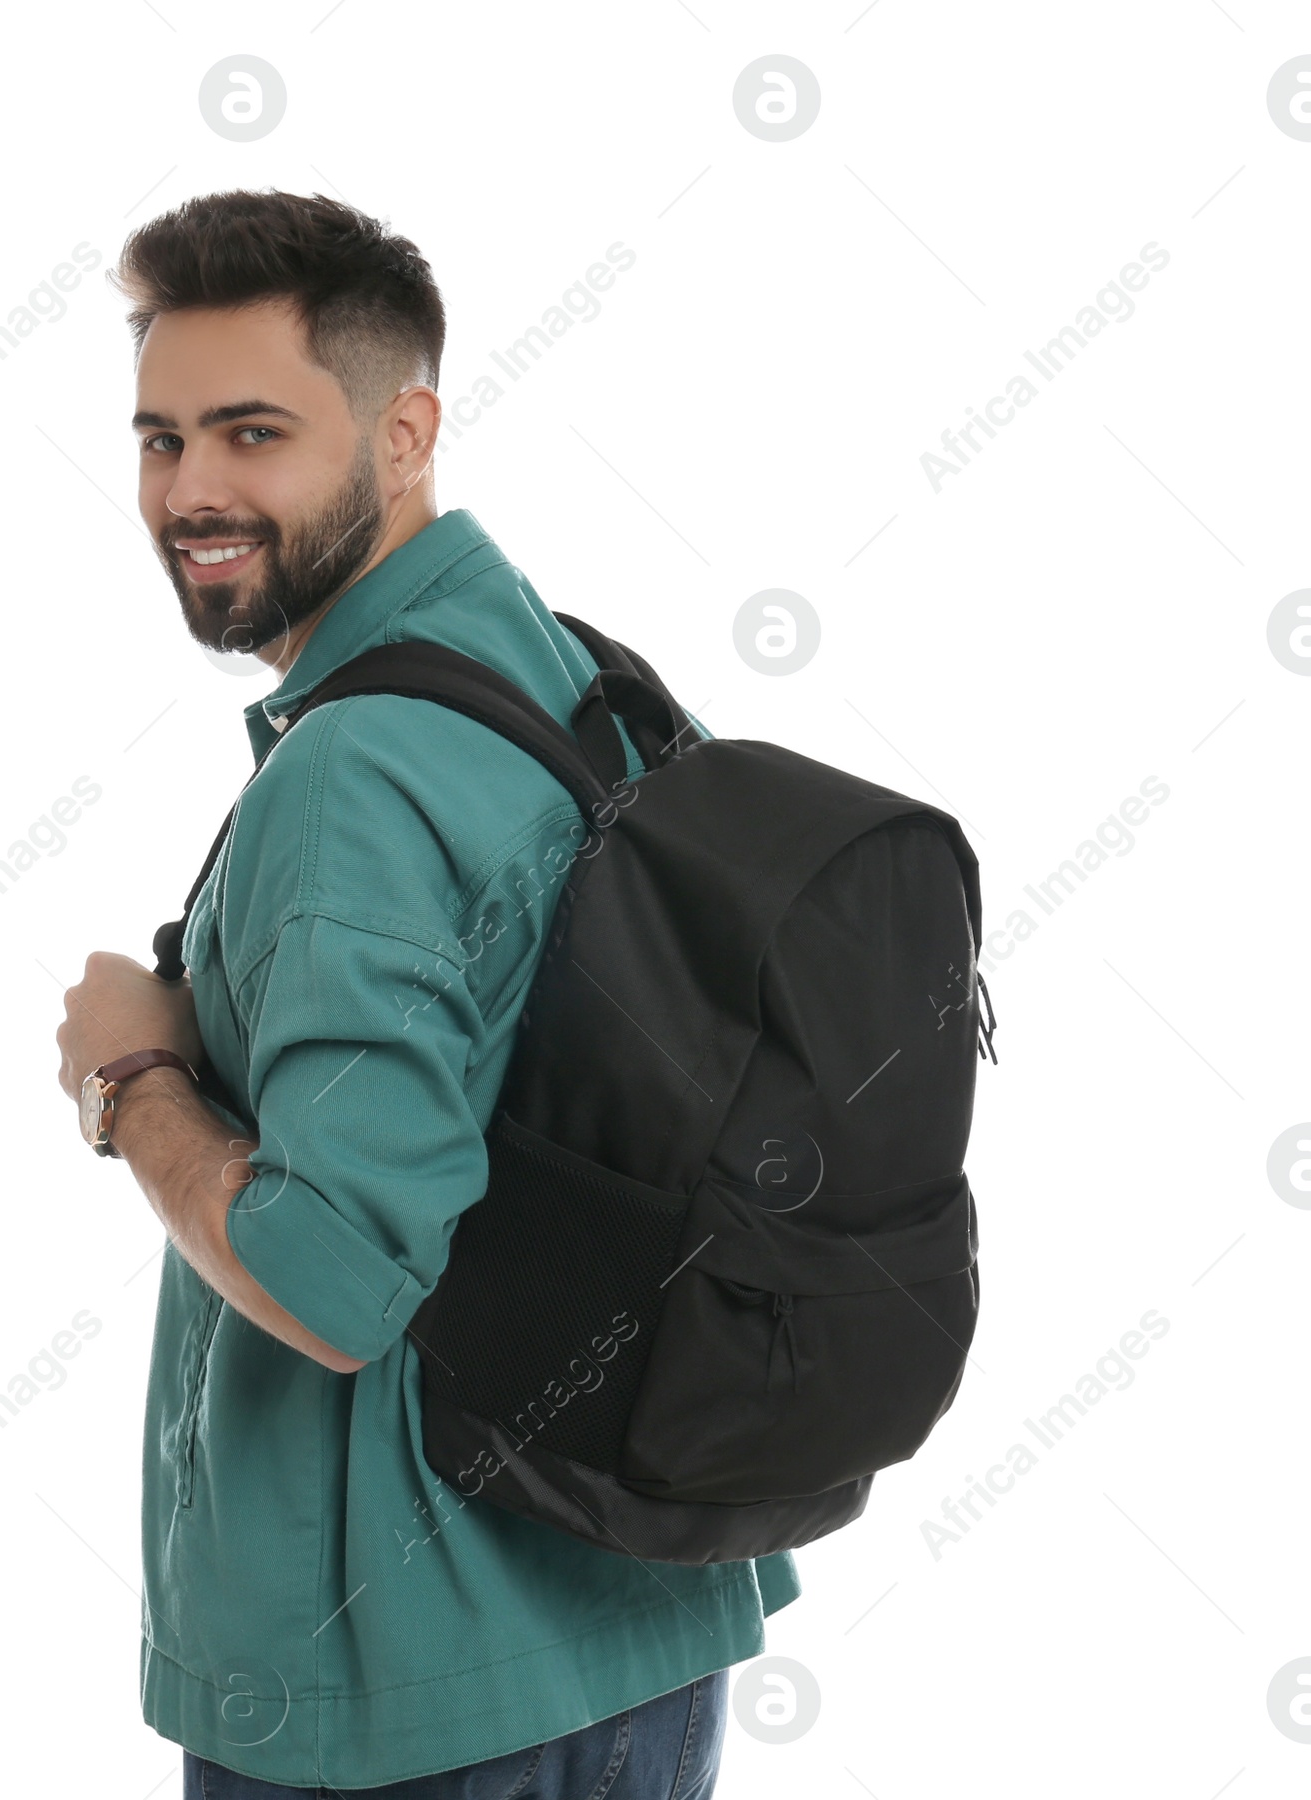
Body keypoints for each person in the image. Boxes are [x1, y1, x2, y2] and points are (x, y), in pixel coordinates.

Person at [53, 188, 799, 1798]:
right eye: (159, 437)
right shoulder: (555, 668)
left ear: (404, 434)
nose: (190, 491)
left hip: (412, 1698)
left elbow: (332, 1277)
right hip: (611, 1615)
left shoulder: (357, 773)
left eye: (253, 432)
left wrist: (134, 1083)